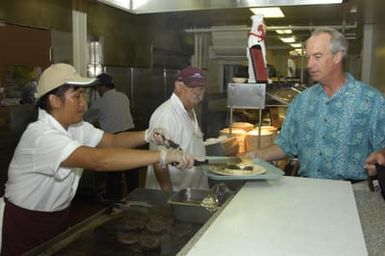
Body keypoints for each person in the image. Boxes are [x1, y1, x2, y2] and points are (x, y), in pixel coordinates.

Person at [1, 63, 195, 255]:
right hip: (25, 223)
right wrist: (161, 156)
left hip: (56, 218)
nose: (84, 103)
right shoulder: (42, 136)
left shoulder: (76, 127)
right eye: (77, 97)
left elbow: (112, 141)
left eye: (84, 96)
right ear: (54, 100)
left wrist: (147, 135)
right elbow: (98, 159)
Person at [240, 27, 385, 181]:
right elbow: (286, 145)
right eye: (308, 57)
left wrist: (382, 155)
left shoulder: (370, 99)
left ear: (338, 56)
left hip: (354, 190)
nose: (309, 64)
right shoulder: (302, 101)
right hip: (309, 188)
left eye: (317, 56)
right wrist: (254, 155)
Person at [145, 66, 209, 191]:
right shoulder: (166, 114)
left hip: (193, 188)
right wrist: (168, 194)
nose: (198, 92)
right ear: (178, 86)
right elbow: (158, 160)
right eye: (192, 87)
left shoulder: (190, 110)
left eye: (201, 88)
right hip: (175, 192)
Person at [85, 73, 136, 202]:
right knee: (132, 170)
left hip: (115, 138)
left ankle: (113, 201)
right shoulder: (123, 97)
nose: (98, 90)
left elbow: (86, 118)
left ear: (102, 87)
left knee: (114, 171)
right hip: (130, 134)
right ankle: (134, 197)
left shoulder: (100, 103)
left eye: (98, 88)